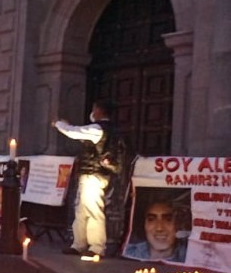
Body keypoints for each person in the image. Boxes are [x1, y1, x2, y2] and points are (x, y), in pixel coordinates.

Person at [53, 99, 127, 257]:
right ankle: (79, 244)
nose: (92, 112)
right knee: (81, 209)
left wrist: (60, 124)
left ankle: (96, 247)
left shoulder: (98, 129)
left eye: (94, 109)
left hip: (94, 175)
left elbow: (74, 132)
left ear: (99, 111)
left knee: (93, 210)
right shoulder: (109, 129)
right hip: (93, 174)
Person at [123, 198, 188, 262]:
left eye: (168, 220)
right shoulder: (127, 253)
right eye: (151, 219)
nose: (159, 228)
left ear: (178, 225)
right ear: (144, 225)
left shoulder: (189, 257)